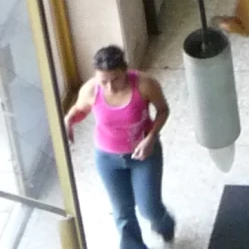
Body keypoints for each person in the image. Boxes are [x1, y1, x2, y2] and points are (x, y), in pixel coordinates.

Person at [63, 45, 177, 248]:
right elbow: (81, 109)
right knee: (122, 212)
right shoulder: (91, 89)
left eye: (115, 79)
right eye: (103, 81)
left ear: (125, 71)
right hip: (107, 159)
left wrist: (150, 138)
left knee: (149, 208)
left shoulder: (144, 84)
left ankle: (164, 223)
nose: (110, 87)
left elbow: (162, 110)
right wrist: (70, 119)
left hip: (143, 155)